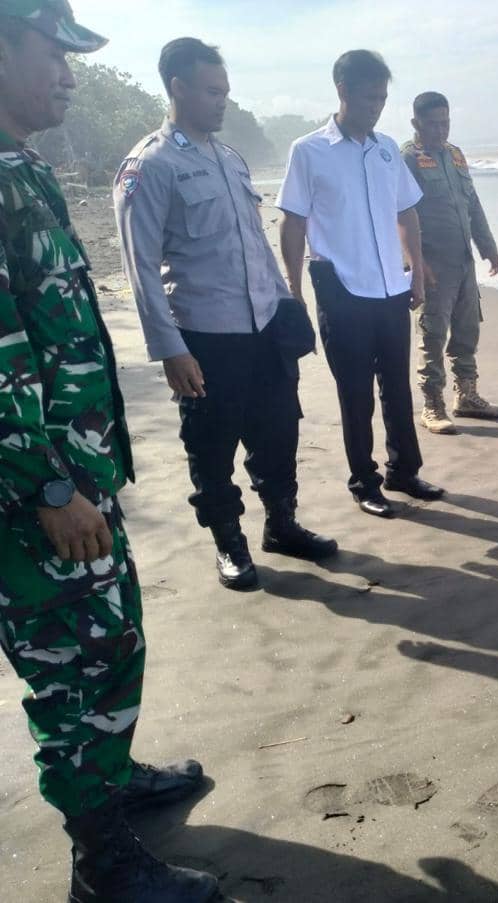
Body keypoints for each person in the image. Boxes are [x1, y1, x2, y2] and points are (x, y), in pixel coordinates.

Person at [0, 3, 218, 900]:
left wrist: (81, 471)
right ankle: (102, 861)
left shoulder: (22, 168)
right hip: (37, 492)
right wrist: (47, 483)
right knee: (73, 657)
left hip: (74, 473)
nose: (71, 73)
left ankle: (111, 775)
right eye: (55, 52)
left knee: (111, 634)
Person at [115, 38, 337, 590]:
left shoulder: (228, 158)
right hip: (205, 337)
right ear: (178, 88)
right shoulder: (150, 165)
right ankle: (230, 546)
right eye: (213, 92)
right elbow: (139, 266)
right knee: (211, 447)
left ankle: (281, 526)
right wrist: (170, 349)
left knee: (279, 432)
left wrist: (287, 302)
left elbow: (254, 245)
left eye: (226, 91)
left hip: (263, 330)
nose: (222, 102)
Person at [278, 50, 443, 518]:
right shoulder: (309, 151)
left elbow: (405, 210)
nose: (377, 106)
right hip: (341, 288)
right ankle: (364, 482)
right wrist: (294, 291)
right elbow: (293, 223)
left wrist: (416, 268)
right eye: (370, 97)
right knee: (355, 392)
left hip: (391, 285)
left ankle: (404, 471)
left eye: (383, 98)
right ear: (343, 91)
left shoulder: (387, 149)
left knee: (397, 386)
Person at [401, 91, 498, 434]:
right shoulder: (408, 160)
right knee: (432, 333)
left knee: (467, 328)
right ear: (416, 123)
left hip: (463, 260)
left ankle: (467, 396)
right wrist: (414, 262)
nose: (440, 130)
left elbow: (472, 204)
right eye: (433, 124)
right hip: (432, 264)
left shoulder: (455, 155)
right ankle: (433, 405)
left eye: (445, 122)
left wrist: (488, 246)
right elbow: (397, 214)